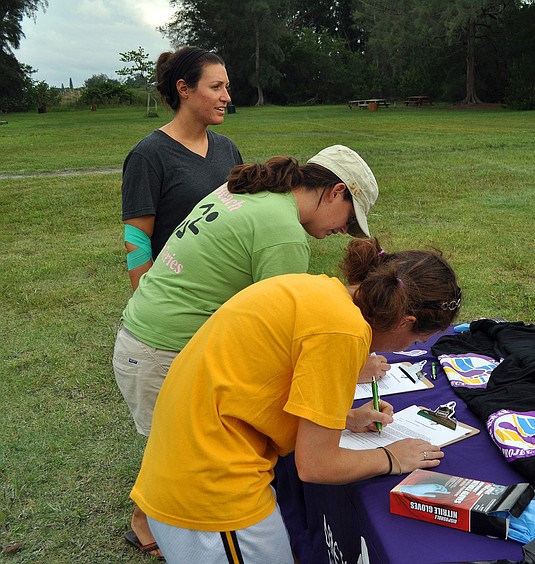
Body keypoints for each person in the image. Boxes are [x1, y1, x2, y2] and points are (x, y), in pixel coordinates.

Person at [114, 144, 382, 557]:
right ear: (336, 191)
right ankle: (172, 538)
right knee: (187, 472)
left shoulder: (256, 194)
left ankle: (154, 527)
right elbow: (289, 337)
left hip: (144, 338)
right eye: (350, 219)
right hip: (164, 351)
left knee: (169, 460)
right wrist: (348, 371)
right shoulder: (284, 234)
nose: (344, 231)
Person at [130, 238, 462, 563]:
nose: (403, 350)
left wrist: (342, 418)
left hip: (187, 461)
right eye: (416, 340)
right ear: (406, 322)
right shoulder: (343, 331)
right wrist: (391, 457)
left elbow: (261, 381)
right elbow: (316, 465)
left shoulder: (319, 291)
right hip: (211, 494)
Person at [122, 46, 243, 292]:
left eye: (226, 87)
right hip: (179, 296)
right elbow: (137, 240)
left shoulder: (227, 149)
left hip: (228, 291)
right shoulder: (148, 155)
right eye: (216, 87)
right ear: (184, 89)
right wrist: (145, 301)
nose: (227, 97)